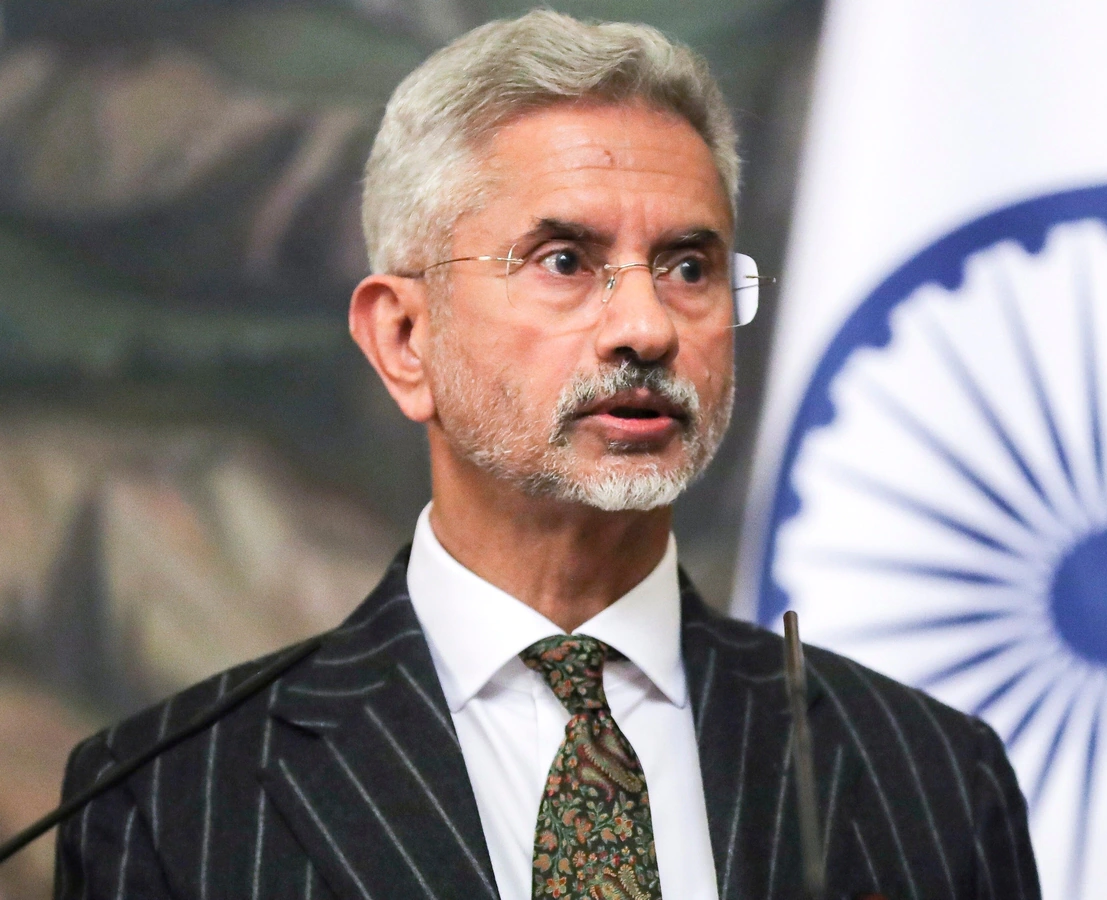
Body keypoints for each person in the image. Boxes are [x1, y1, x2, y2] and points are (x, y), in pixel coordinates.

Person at [53, 10, 1040, 900]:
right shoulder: (170, 799)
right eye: (564, 261)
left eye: (688, 266)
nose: (647, 327)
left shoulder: (929, 779)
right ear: (404, 339)